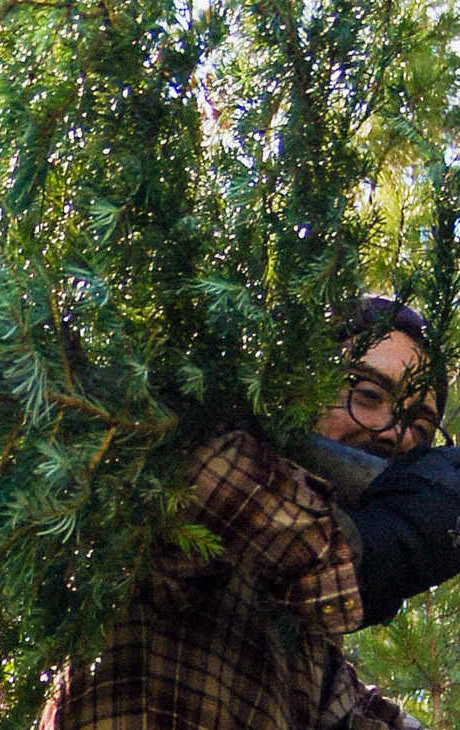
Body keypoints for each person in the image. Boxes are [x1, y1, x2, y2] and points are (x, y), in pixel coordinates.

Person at [41, 297, 456, 730]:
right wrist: (377, 546)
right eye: (367, 394)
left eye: (421, 429)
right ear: (293, 392)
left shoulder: (310, 650)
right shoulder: (187, 468)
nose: (395, 435)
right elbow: (210, 483)